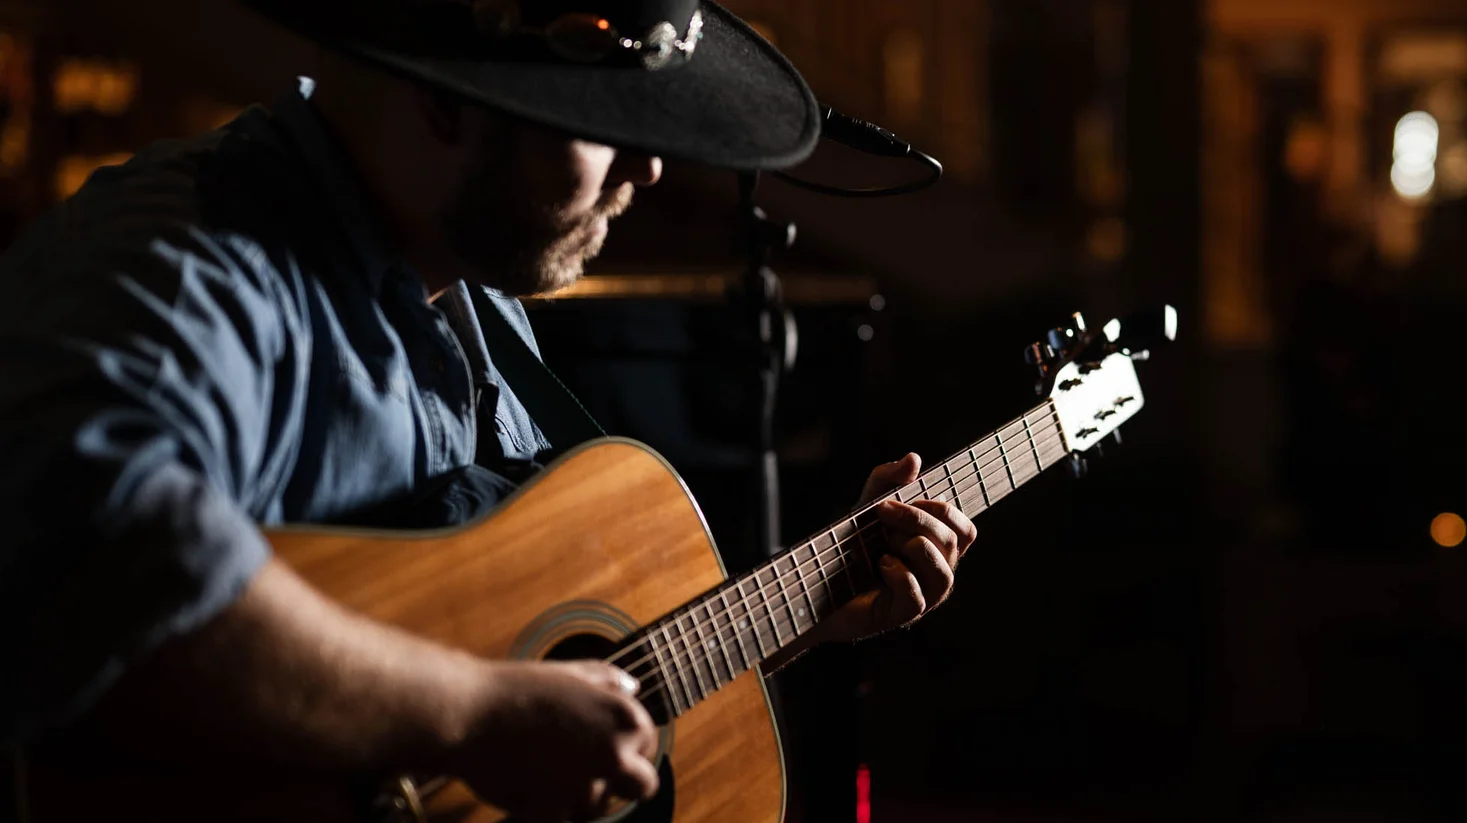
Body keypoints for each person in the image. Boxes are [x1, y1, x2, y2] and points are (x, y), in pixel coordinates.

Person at [0, 1, 976, 819]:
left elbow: (529, 662)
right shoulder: (191, 264)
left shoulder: (479, 292)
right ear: (445, 102)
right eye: (609, 126)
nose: (651, 171)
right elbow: (95, 549)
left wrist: (810, 615)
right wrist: (470, 713)